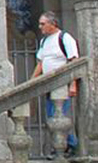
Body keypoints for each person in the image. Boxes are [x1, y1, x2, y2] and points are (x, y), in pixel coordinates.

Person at [33, 11, 80, 155]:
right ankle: (64, 144)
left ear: (52, 24)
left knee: (57, 116)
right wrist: (32, 81)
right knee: (50, 117)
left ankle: (70, 144)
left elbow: (73, 61)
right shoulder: (44, 41)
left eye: (43, 24)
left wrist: (73, 84)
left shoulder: (65, 38)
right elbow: (41, 63)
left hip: (61, 84)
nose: (40, 27)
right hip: (49, 84)